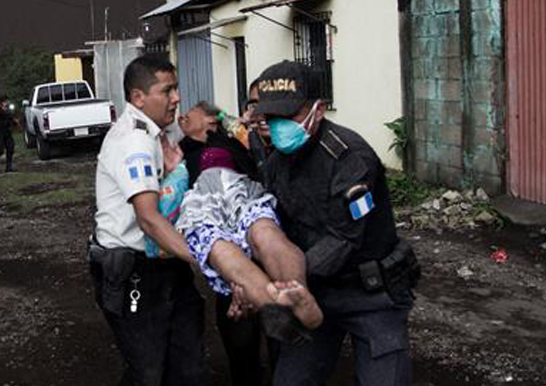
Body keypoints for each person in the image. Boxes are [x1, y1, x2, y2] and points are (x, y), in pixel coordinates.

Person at [255, 61, 420, 386]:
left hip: (371, 296)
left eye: (289, 116)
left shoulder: (350, 158)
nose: (278, 125)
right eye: (272, 117)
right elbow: (274, 225)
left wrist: (288, 281)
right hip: (314, 291)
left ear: (319, 109)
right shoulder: (276, 163)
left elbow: (344, 238)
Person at [87, 55, 209, 386]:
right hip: (135, 271)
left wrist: (176, 172)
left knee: (186, 363)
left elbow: (164, 198)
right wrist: (209, 259)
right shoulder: (134, 140)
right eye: (167, 90)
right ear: (139, 97)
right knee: (148, 371)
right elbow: (150, 220)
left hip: (164, 263)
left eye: (176, 88)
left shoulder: (155, 134)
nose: (177, 98)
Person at [171, 103, 322, 343]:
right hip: (203, 202)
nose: (182, 117)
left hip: (240, 190)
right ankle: (279, 309)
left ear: (210, 120)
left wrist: (244, 128)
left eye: (190, 113)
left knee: (265, 232)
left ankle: (298, 293)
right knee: (218, 246)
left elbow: (257, 158)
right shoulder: (179, 150)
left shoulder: (235, 137)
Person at [0, 95, 17, 172]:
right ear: (2, 102)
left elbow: (11, 118)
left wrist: (14, 122)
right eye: (6, 101)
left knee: (10, 149)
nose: (8, 103)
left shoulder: (9, 110)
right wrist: (3, 110)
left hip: (7, 132)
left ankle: (8, 167)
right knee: (0, 150)